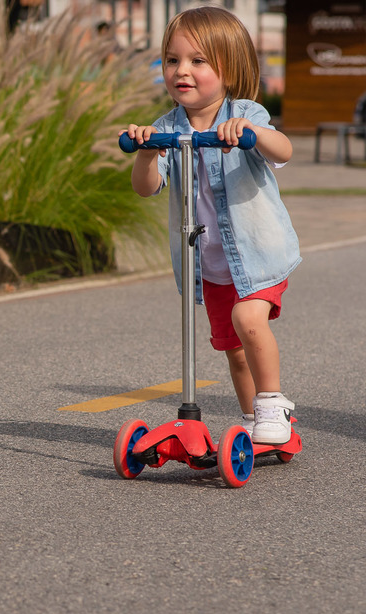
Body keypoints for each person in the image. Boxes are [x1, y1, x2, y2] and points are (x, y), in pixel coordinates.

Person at [124, 6, 300, 445]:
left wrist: (252, 134)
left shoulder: (247, 114)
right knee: (234, 351)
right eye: (172, 60)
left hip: (258, 256)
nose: (182, 70)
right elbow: (146, 188)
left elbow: (284, 150)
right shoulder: (165, 128)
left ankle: (273, 405)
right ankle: (249, 419)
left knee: (250, 320)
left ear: (229, 68)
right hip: (210, 265)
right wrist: (147, 152)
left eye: (198, 61)